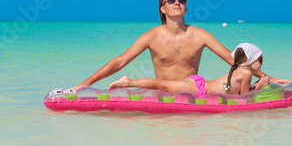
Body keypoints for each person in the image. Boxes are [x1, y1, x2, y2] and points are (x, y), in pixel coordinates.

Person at [69, 0, 289, 90]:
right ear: (162, 8)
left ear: (185, 6)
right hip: (161, 94)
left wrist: (270, 77)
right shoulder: (151, 36)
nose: (177, 2)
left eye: (181, 0)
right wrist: (85, 84)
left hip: (190, 94)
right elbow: (120, 61)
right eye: (171, 0)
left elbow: (235, 61)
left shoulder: (200, 35)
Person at [108, 43, 271, 95]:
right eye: (260, 59)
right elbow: (244, 98)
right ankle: (128, 82)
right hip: (199, 88)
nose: (261, 64)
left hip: (198, 84)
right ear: (249, 60)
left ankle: (129, 82)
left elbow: (241, 93)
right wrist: (260, 85)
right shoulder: (247, 72)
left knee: (165, 86)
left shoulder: (239, 71)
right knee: (163, 85)